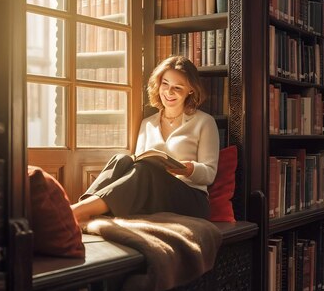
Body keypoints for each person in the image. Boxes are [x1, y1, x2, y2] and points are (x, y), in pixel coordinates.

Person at [71, 56, 220, 223]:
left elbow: (209, 174)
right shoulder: (147, 123)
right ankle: (84, 207)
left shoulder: (205, 122)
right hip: (154, 194)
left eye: (177, 87)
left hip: (191, 199)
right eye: (165, 84)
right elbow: (138, 163)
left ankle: (75, 212)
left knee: (146, 170)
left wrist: (187, 169)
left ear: (190, 90)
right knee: (122, 159)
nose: (169, 92)